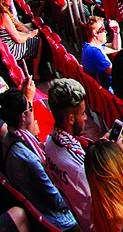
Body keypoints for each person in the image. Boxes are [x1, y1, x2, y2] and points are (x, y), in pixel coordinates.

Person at [0, 88, 78, 232]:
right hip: (57, 220)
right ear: (23, 117)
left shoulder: (9, 137)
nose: (32, 110)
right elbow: (57, 201)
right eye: (30, 108)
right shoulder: (28, 159)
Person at [45, 78, 94, 229]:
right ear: (71, 119)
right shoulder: (79, 167)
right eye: (83, 113)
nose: (85, 118)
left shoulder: (49, 143)